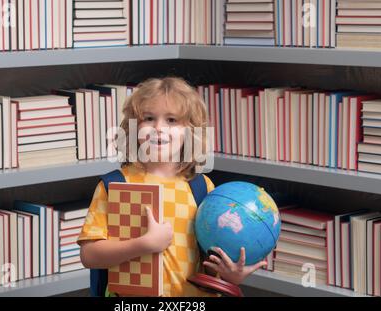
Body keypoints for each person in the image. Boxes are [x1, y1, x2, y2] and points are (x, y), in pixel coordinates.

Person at [77, 77, 266, 296]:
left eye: (172, 120)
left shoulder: (202, 188)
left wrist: (229, 276)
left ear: (190, 130)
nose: (158, 128)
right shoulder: (115, 185)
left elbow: (211, 259)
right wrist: (144, 244)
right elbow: (89, 255)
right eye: (148, 118)